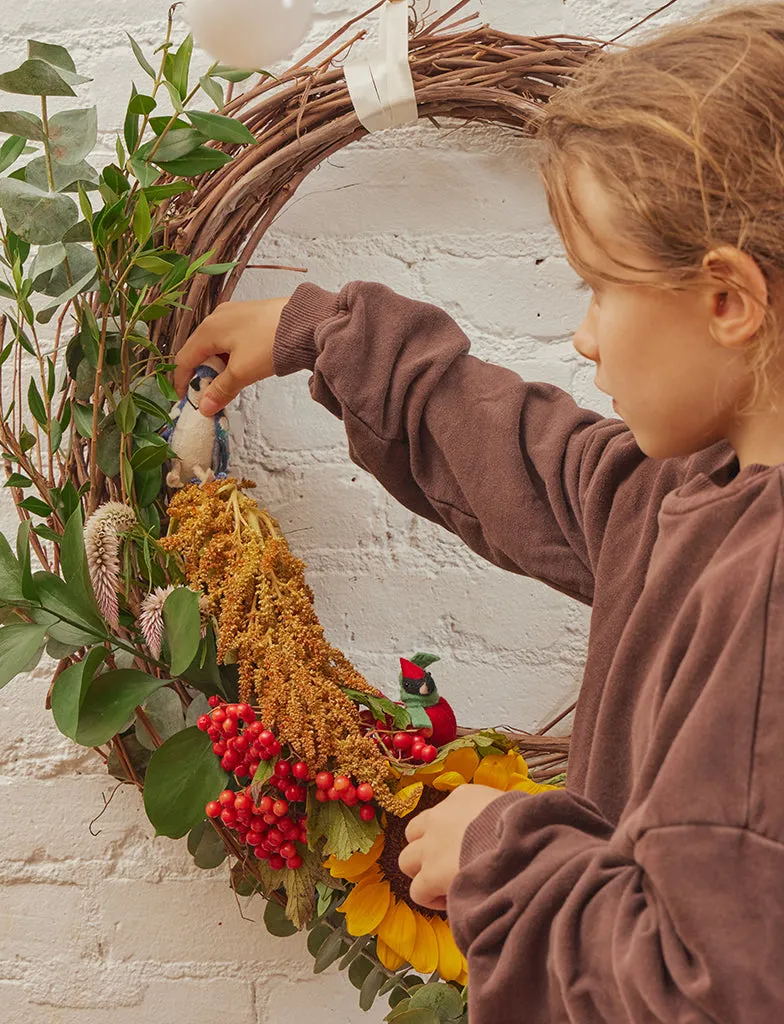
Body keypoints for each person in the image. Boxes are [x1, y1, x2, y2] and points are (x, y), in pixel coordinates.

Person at [173, 3, 784, 1020]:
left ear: (726, 299)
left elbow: (708, 987)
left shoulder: (765, 596)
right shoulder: (701, 493)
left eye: (598, 288)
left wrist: (501, 850)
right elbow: (546, 471)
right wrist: (321, 332)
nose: (584, 338)